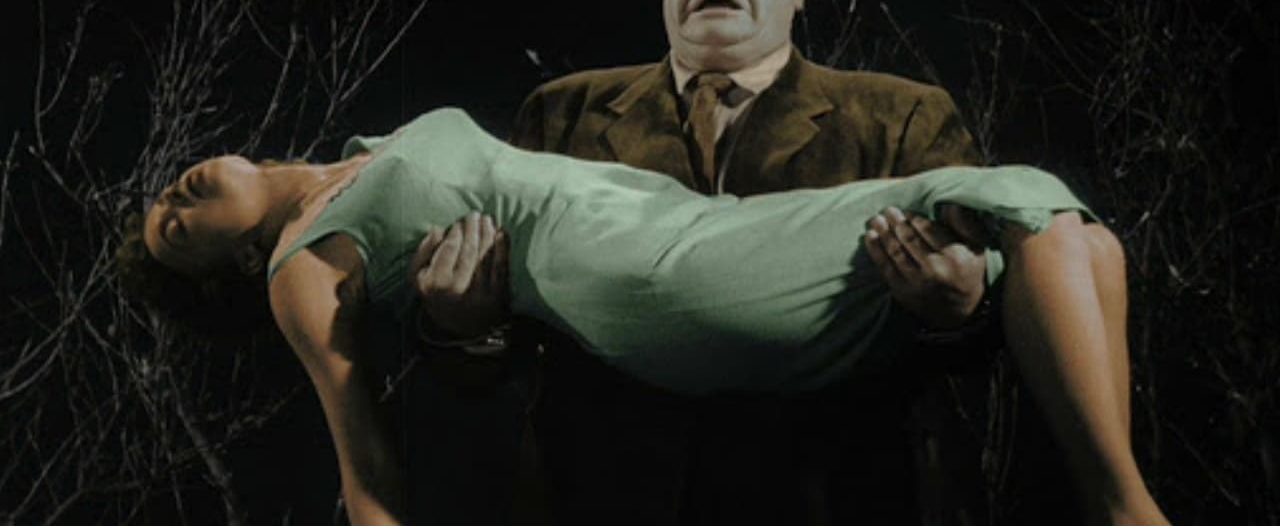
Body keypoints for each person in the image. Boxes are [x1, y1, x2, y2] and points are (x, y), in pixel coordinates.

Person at [118, 106, 1169, 526]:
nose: (172, 197)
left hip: (678, 221)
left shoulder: (359, 151)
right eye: (173, 230)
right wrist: (459, 330)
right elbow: (369, 474)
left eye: (160, 194)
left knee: (1081, 241)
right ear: (233, 267)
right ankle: (1126, 512)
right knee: (1022, 195)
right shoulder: (301, 266)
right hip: (641, 271)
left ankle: (1121, 507)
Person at [416, 0, 991, 524]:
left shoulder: (899, 117)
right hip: (600, 496)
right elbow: (496, 356)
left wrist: (959, 312)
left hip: (830, 495)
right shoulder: (562, 114)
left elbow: (987, 339)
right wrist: (465, 327)